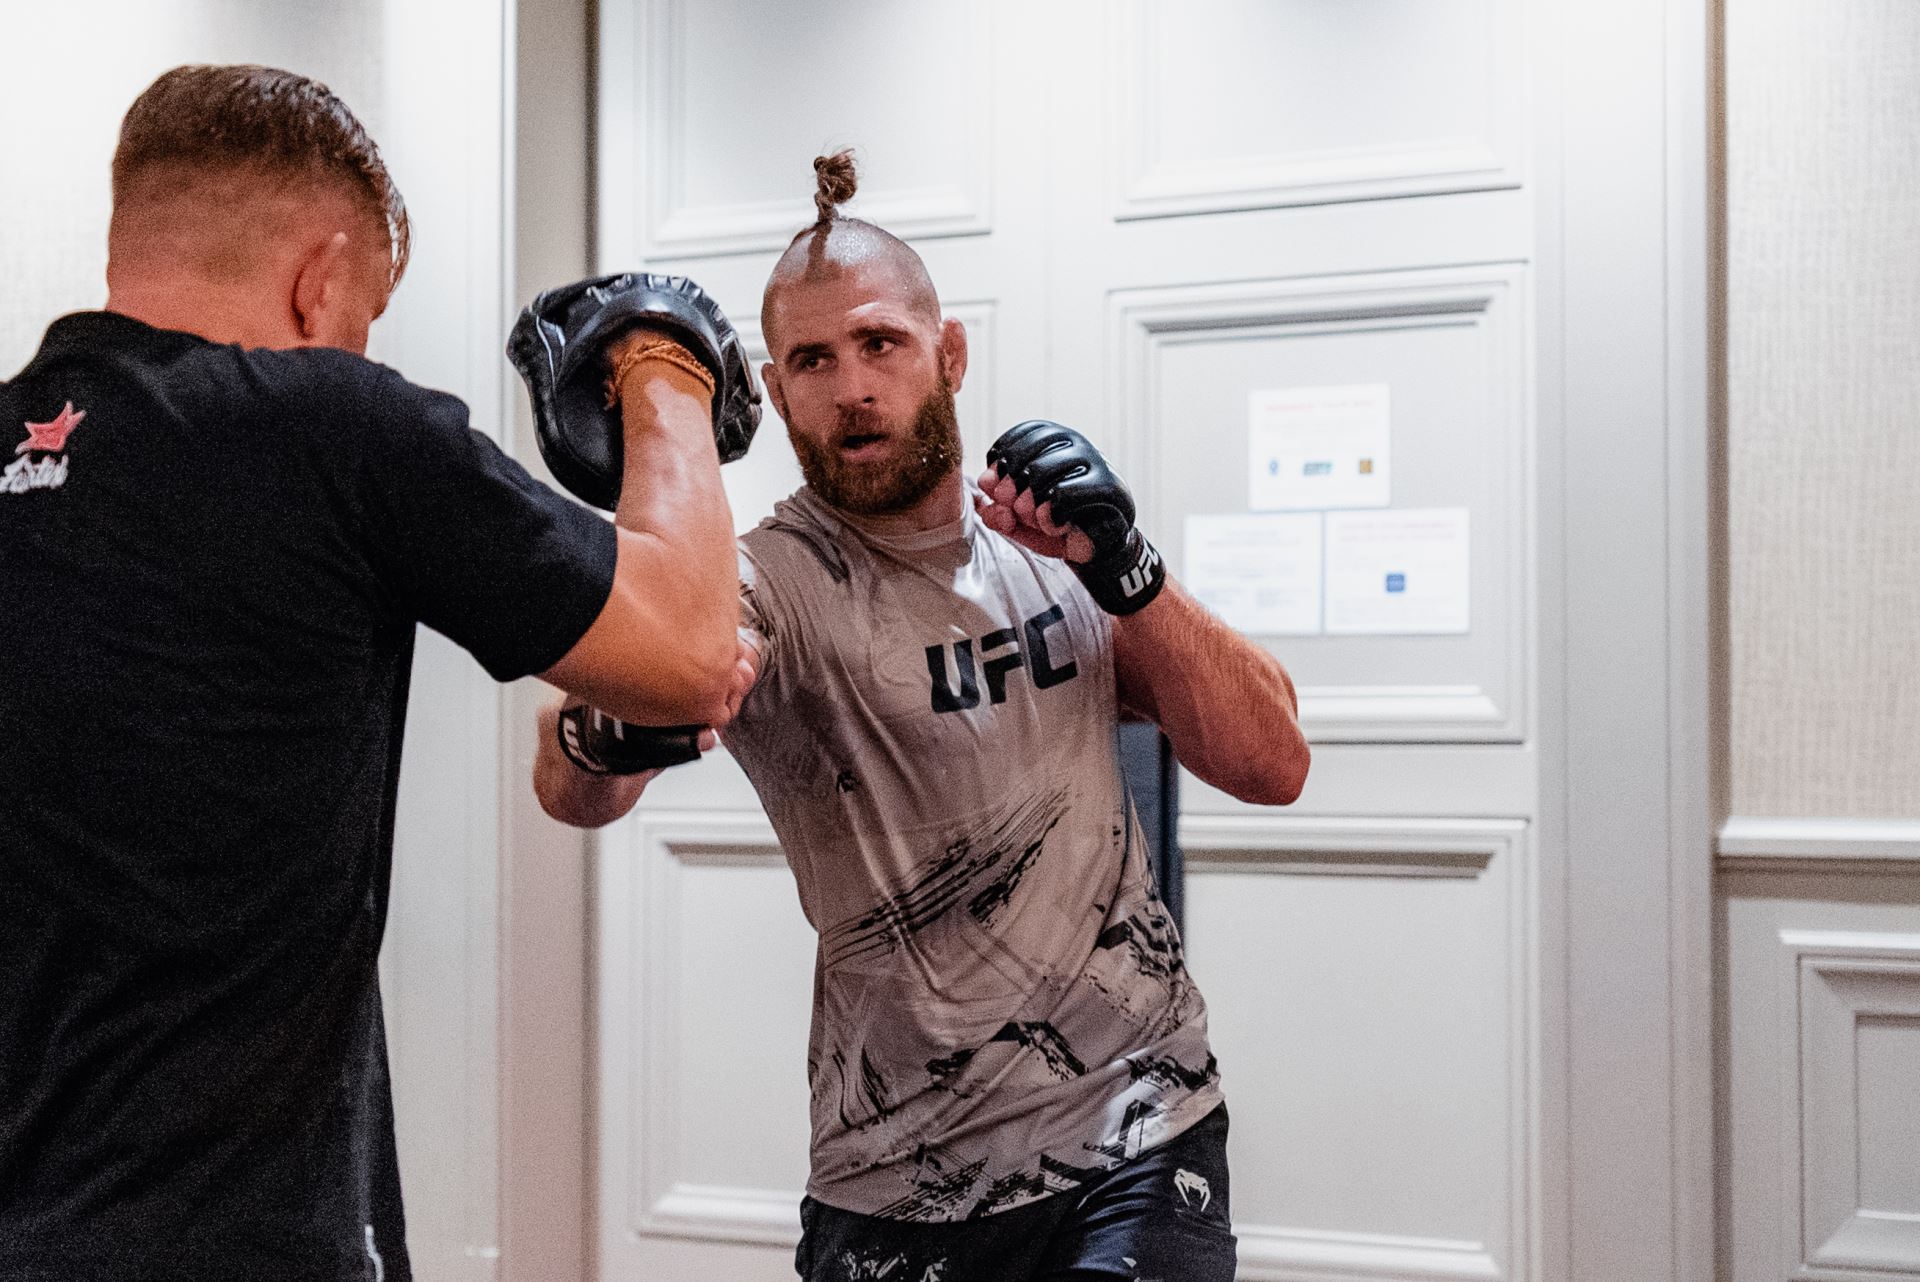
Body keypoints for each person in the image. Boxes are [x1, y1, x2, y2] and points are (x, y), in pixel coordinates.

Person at [0, 64, 755, 1281]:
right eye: (368, 309)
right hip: (245, 1243)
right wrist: (664, 362)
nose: (360, 342)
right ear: (324, 273)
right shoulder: (330, 424)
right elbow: (692, 644)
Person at [535, 151, 1311, 1282]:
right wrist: (607, 730)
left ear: (947, 354)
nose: (852, 385)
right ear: (776, 388)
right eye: (813, 359)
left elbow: (1271, 759)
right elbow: (570, 788)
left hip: (1142, 1119)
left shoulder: (1055, 552)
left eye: (880, 343)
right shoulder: (768, 586)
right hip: (903, 1177)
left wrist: (1133, 572)